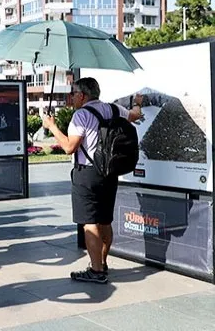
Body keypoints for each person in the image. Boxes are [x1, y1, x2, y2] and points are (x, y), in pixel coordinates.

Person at [42, 77, 142, 283]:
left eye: (73, 93)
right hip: (109, 172)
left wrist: (51, 126)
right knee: (105, 220)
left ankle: (96, 271)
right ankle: (102, 263)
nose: (71, 97)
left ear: (82, 95)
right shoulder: (113, 109)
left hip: (86, 174)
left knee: (89, 223)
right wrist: (138, 103)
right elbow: (134, 115)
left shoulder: (81, 115)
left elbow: (70, 146)